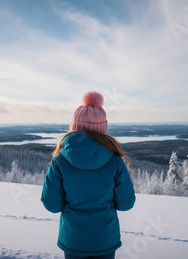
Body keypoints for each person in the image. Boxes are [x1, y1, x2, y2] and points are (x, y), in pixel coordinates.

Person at [41, 91, 136, 259]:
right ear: (103, 127)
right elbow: (126, 203)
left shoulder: (59, 161)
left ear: (74, 126)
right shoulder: (115, 161)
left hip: (73, 240)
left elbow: (52, 205)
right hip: (105, 240)